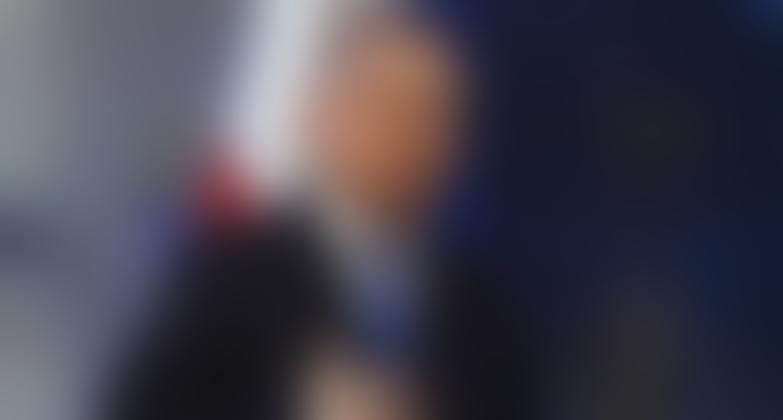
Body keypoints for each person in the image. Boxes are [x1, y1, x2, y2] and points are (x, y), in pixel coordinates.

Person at [113, 9, 534, 420]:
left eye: (432, 114)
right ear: (326, 110)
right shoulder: (235, 271)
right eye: (385, 104)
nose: (406, 132)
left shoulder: (484, 313)